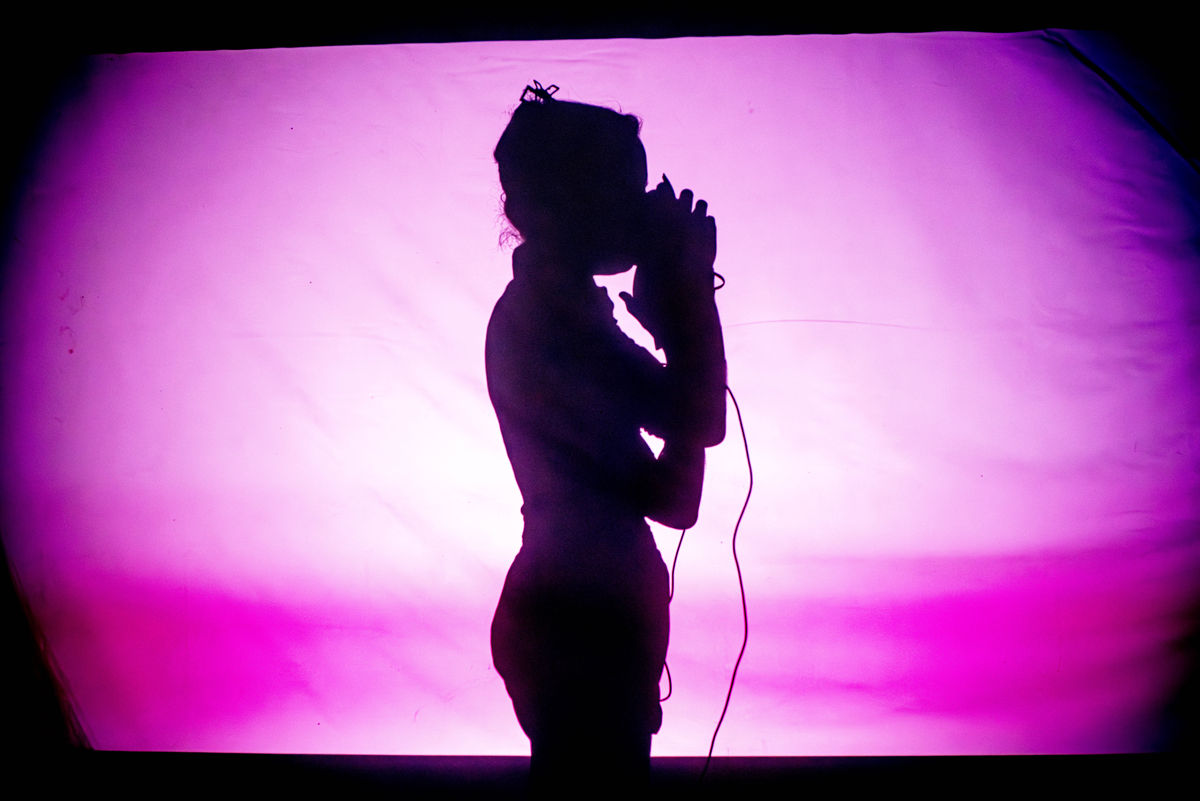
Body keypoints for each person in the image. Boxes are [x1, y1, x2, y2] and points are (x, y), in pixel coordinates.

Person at [486, 83, 726, 793]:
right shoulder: (552, 326)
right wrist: (686, 308)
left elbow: (680, 469)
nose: (639, 203)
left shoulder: (562, 316)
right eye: (622, 185)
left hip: (577, 615)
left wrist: (678, 314)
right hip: (583, 624)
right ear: (568, 201)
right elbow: (695, 434)